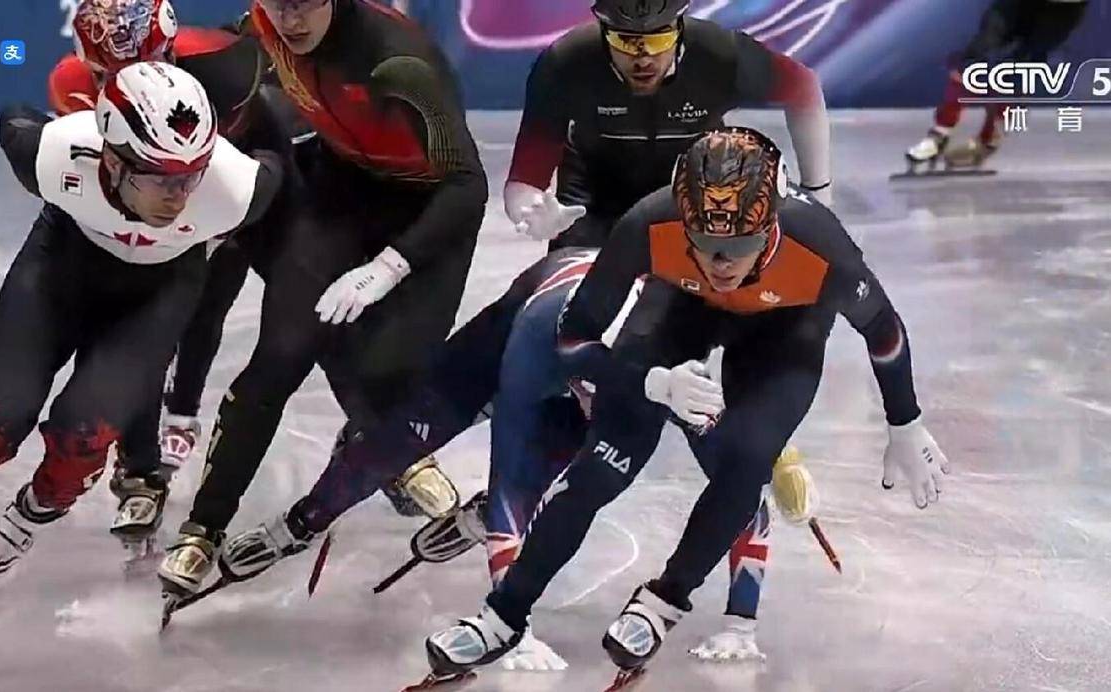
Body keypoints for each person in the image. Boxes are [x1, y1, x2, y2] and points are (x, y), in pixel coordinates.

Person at [422, 127, 950, 679]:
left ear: (771, 225)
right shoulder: (648, 223)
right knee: (601, 465)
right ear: (683, 219)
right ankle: (503, 615)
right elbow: (573, 340)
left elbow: (884, 331)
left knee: (747, 458)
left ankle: (666, 599)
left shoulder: (821, 245)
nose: (721, 263)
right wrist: (650, 381)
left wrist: (905, 422)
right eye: (704, 240)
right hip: (681, 306)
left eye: (739, 246)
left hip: (784, 327)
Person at [175, 247, 817, 666]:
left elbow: (741, 497)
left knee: (585, 460)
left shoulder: (683, 364)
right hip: (514, 341)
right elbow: (508, 462)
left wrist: (741, 621)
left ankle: (490, 520)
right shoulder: (546, 337)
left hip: (630, 376)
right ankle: (302, 520)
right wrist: (511, 619)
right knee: (404, 443)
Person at [0, 62, 283, 633]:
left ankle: (27, 520)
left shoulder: (237, 189)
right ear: (111, 160)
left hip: (157, 296)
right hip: (60, 273)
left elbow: (284, 150)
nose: (180, 195)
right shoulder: (54, 154)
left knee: (84, 439)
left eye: (192, 176)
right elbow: (14, 118)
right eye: (161, 178)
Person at [157, 0, 488, 599]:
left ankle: (373, 437)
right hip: (338, 193)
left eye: (305, 3)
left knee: (390, 372)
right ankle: (202, 529)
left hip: (428, 208)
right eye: (277, 4)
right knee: (279, 358)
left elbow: (468, 183)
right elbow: (203, 66)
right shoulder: (259, 29)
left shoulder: (399, 64)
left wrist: (388, 267)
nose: (291, 21)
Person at [49, 0, 304, 550]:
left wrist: (230, 222)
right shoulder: (70, 86)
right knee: (138, 321)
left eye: (146, 68)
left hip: (229, 182)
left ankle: (184, 412)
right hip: (147, 206)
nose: (131, 89)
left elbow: (265, 150)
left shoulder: (227, 67)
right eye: (106, 76)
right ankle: (139, 470)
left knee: (226, 301)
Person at [505, 0, 832, 250]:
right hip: (590, 201)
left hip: (690, 195)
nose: (643, 58)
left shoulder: (720, 54)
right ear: (604, 33)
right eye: (626, 41)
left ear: (680, 31)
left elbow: (804, 88)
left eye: (659, 40)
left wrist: (818, 192)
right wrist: (531, 214)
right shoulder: (564, 64)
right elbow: (524, 179)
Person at [905, 0, 1090, 171]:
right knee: (976, 54)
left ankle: (989, 139)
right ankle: (939, 134)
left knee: (1020, 68)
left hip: (1062, 10)